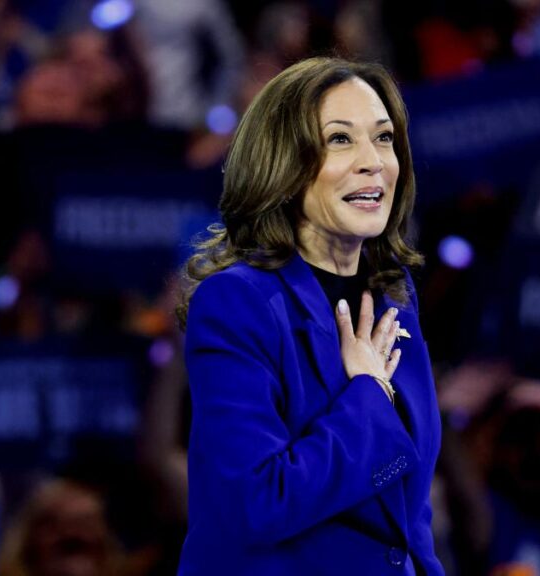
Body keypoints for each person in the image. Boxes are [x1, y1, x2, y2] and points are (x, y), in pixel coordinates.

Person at [174, 57, 444, 575]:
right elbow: (259, 502)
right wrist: (369, 394)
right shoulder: (237, 302)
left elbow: (408, 516)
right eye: (340, 139)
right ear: (283, 165)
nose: (373, 162)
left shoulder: (394, 295)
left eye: (384, 138)